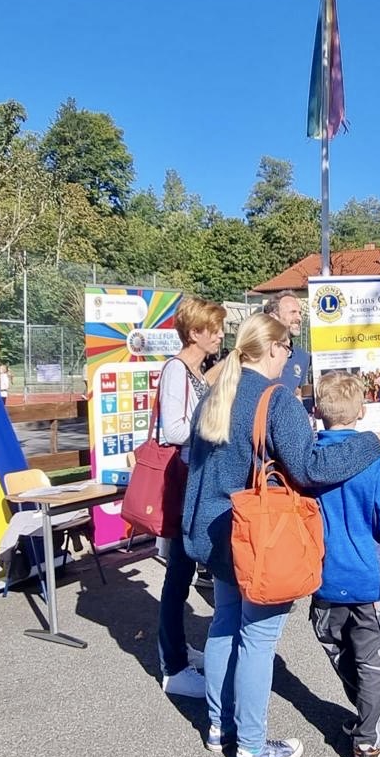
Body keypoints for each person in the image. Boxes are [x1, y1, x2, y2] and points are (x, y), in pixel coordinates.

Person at [183, 313, 380, 757]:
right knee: (257, 639)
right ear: (275, 349)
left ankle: (220, 727)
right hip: (258, 537)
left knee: (223, 625)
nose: (290, 357)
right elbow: (310, 467)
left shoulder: (214, 394)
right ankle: (252, 748)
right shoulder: (276, 401)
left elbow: (188, 459)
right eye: (288, 348)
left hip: (214, 531)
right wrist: (372, 444)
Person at [308, 372, 380, 757]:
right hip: (373, 577)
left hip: (325, 577)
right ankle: (370, 738)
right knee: (371, 659)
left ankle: (379, 717)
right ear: (362, 410)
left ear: (316, 412)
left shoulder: (309, 461)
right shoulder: (375, 461)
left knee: (338, 650)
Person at [156, 297, 226, 699]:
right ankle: (173, 667)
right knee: (177, 573)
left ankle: (177, 652)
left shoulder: (193, 371)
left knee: (181, 573)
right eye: (212, 329)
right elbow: (174, 429)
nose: (218, 335)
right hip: (182, 479)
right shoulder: (175, 371)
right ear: (194, 333)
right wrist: (212, 425)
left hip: (192, 476)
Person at [263, 291, 309, 395]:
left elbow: (297, 392)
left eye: (300, 313)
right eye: (293, 312)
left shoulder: (303, 357)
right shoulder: (257, 352)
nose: (299, 318)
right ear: (273, 317)